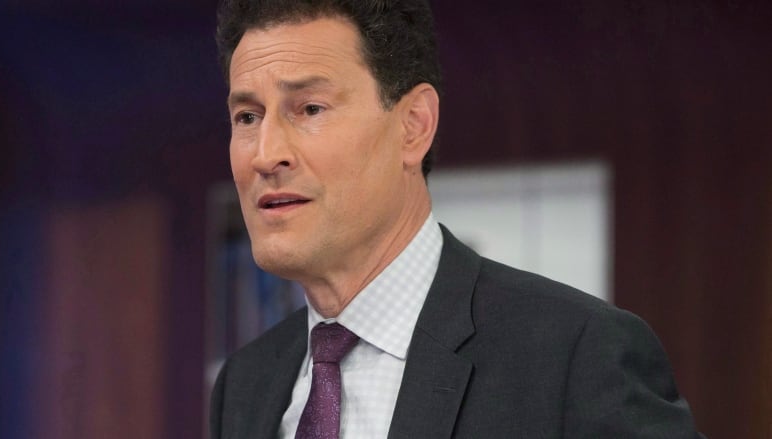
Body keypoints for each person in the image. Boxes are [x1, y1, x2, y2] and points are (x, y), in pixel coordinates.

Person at [210, 1, 705, 437]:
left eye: (310, 108)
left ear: (414, 126)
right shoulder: (246, 384)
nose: (265, 154)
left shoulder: (576, 357)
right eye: (247, 117)